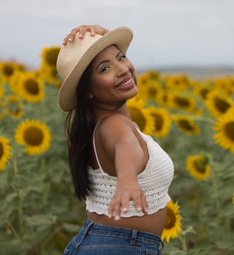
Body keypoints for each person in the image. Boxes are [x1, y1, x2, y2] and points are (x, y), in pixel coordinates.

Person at [57, 25, 174, 254]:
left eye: (122, 58)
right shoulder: (113, 125)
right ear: (88, 90)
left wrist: (99, 35)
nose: (123, 69)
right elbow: (125, 145)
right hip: (121, 246)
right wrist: (128, 179)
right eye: (105, 69)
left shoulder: (94, 124)